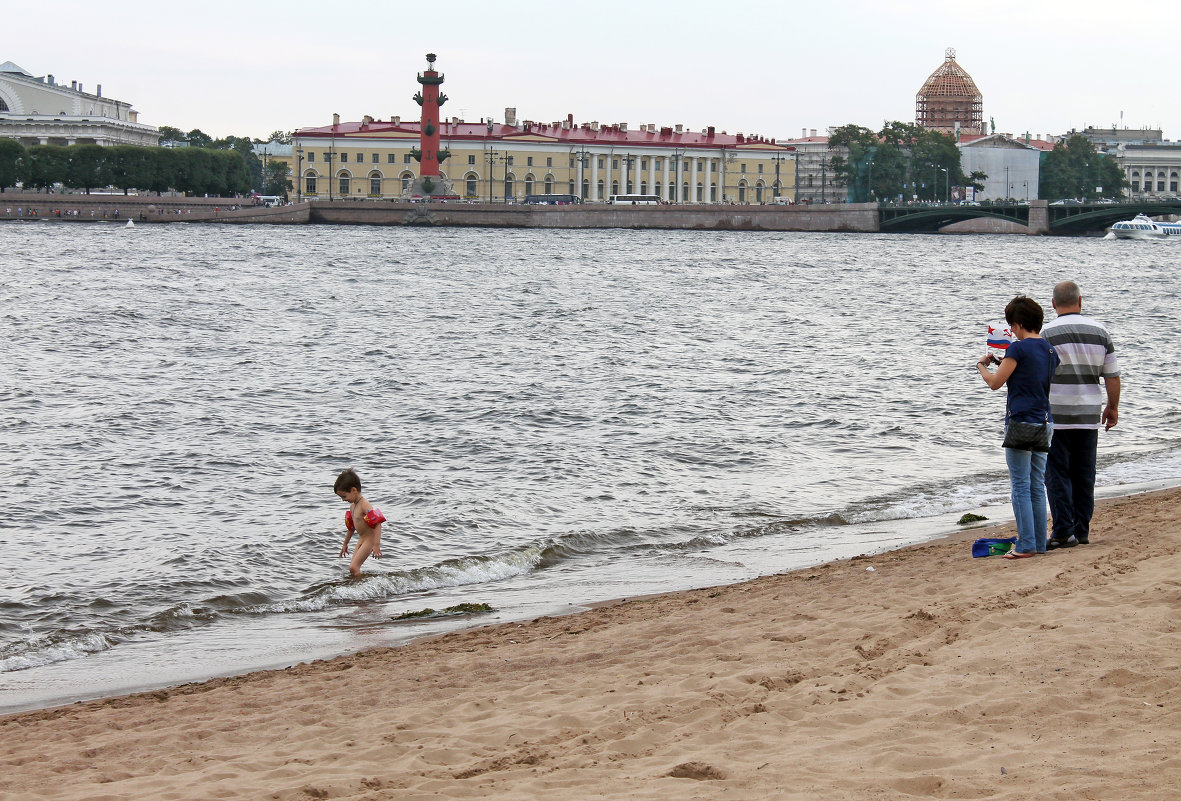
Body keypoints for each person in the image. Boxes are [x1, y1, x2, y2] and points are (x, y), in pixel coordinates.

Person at [976, 296, 1059, 559]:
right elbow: (1031, 377)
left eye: (1012, 325)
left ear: (1020, 323)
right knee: (1036, 485)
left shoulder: (1017, 348)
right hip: (1045, 421)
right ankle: (1039, 543)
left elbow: (994, 384)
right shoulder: (1049, 350)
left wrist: (981, 366)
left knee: (1021, 486)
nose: (1011, 330)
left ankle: (1025, 545)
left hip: (1020, 422)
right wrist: (1006, 364)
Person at [1041, 281, 1120, 548]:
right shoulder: (1101, 332)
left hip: (1057, 414)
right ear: (1080, 301)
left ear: (1053, 304)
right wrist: (1112, 406)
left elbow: (1039, 374)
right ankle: (1081, 529)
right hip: (1088, 415)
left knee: (1057, 473)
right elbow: (1112, 375)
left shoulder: (1045, 334)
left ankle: (1063, 530)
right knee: (1084, 473)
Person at [333, 468, 386, 577]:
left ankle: (362, 589)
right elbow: (351, 528)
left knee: (354, 567)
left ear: (354, 490)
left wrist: (376, 545)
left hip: (369, 540)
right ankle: (359, 586)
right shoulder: (352, 506)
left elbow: (377, 523)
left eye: (344, 496)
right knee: (352, 569)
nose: (343, 500)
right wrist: (345, 544)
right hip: (362, 539)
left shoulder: (364, 504)